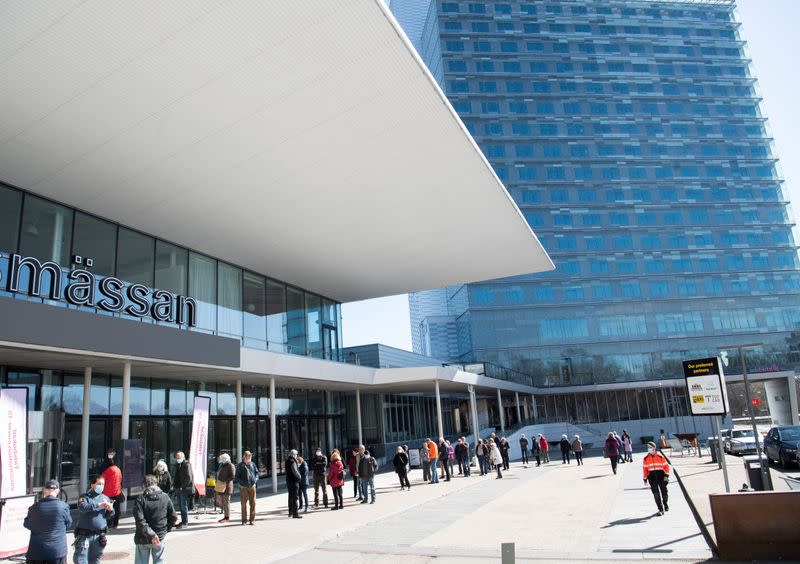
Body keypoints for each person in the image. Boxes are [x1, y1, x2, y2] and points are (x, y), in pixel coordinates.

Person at [24, 479, 72, 564]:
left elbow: (27, 524)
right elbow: (68, 524)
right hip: (57, 551)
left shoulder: (34, 507)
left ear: (44, 491)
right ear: (58, 491)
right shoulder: (64, 507)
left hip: (37, 551)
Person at [133, 474, 177, 564]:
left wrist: (151, 534)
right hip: (159, 536)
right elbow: (173, 517)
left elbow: (140, 521)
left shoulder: (140, 499)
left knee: (141, 561)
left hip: (143, 537)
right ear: (156, 483)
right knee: (159, 561)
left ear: (144, 485)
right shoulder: (165, 497)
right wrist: (164, 531)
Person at [74, 475, 114, 564]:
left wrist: (111, 509)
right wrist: (98, 505)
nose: (101, 486)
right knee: (81, 559)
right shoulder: (84, 497)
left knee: (95, 560)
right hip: (85, 535)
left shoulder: (106, 498)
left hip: (99, 535)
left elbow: (110, 515)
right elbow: (83, 508)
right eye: (99, 484)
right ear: (92, 485)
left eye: (103, 484)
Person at [642, 441, 671, 516]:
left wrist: (666, 476)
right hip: (651, 477)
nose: (649, 449)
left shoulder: (660, 457)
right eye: (648, 447)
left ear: (654, 448)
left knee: (664, 493)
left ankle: (665, 503)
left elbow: (666, 467)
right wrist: (645, 478)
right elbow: (645, 469)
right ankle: (660, 509)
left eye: (650, 447)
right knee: (656, 494)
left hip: (661, 476)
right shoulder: (646, 459)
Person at [235, 450, 259, 525]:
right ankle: (244, 520)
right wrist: (242, 483)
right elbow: (236, 477)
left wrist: (255, 479)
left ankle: (252, 520)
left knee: (253, 503)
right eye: (248, 456)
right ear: (244, 457)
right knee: (243, 504)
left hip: (252, 486)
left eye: (250, 456)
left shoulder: (253, 464)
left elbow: (257, 473)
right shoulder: (240, 465)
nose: (250, 457)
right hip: (243, 487)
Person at [99, 453, 123, 529]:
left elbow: (101, 481)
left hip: (108, 494)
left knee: (108, 509)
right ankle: (115, 524)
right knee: (117, 508)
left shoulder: (106, 472)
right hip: (117, 492)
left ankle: (109, 524)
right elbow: (120, 479)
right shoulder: (118, 469)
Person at [171, 451, 193, 529]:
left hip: (183, 488)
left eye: (179, 457)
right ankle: (183, 521)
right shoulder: (178, 465)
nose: (177, 459)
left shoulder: (187, 465)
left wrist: (183, 486)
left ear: (183, 457)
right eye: (176, 457)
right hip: (178, 487)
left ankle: (185, 522)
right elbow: (177, 476)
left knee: (184, 506)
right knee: (180, 505)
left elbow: (189, 478)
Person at [214, 453, 234, 523]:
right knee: (223, 502)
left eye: (222, 459)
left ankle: (227, 517)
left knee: (226, 502)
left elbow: (232, 476)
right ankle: (225, 516)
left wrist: (225, 481)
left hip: (227, 486)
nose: (221, 460)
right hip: (222, 485)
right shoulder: (223, 465)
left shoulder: (230, 465)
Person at [285, 450, 302, 518]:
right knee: (295, 497)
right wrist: (299, 476)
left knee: (290, 496)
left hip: (289, 481)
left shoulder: (287, 461)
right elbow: (294, 471)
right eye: (296, 454)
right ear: (294, 455)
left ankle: (290, 512)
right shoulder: (292, 461)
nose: (297, 456)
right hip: (294, 481)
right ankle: (295, 513)